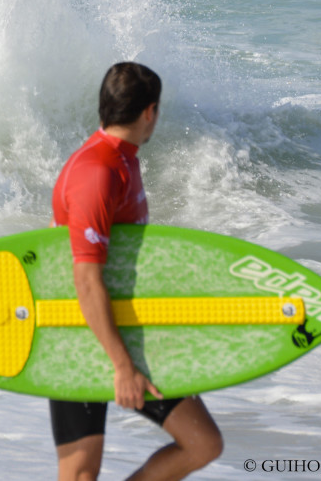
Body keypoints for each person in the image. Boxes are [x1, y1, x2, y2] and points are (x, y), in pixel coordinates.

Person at [49, 62, 223, 481]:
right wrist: (122, 366)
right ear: (150, 112)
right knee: (79, 475)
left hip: (128, 332)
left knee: (203, 443)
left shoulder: (122, 161)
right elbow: (86, 279)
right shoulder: (98, 171)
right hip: (81, 335)